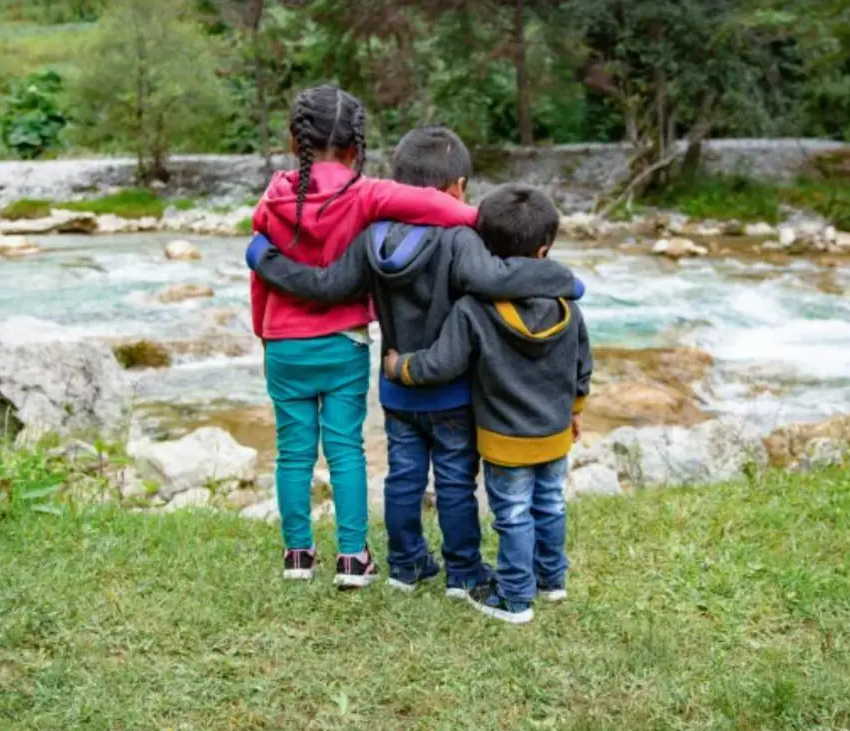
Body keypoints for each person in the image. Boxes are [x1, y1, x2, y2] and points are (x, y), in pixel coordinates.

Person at [246, 126, 584, 597]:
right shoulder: (460, 240)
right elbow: (495, 278)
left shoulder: (373, 237)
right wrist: (560, 279)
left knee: (403, 477)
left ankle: (405, 565)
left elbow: (327, 287)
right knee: (453, 482)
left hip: (395, 383)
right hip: (452, 390)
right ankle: (463, 572)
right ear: (459, 187)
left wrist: (265, 258)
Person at [249, 86, 481, 590]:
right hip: (344, 342)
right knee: (345, 448)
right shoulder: (367, 193)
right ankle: (353, 558)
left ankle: (297, 555)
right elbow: (444, 209)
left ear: (295, 142)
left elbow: (260, 277)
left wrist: (263, 333)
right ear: (357, 147)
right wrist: (492, 221)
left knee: (292, 451)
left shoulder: (272, 199)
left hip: (283, 341)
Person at [382, 184, 593, 624]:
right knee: (550, 503)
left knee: (512, 514)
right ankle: (551, 580)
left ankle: (515, 597)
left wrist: (401, 366)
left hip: (503, 438)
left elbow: (441, 363)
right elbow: (582, 367)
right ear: (544, 249)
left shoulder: (475, 309)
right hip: (554, 432)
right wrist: (574, 411)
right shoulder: (568, 306)